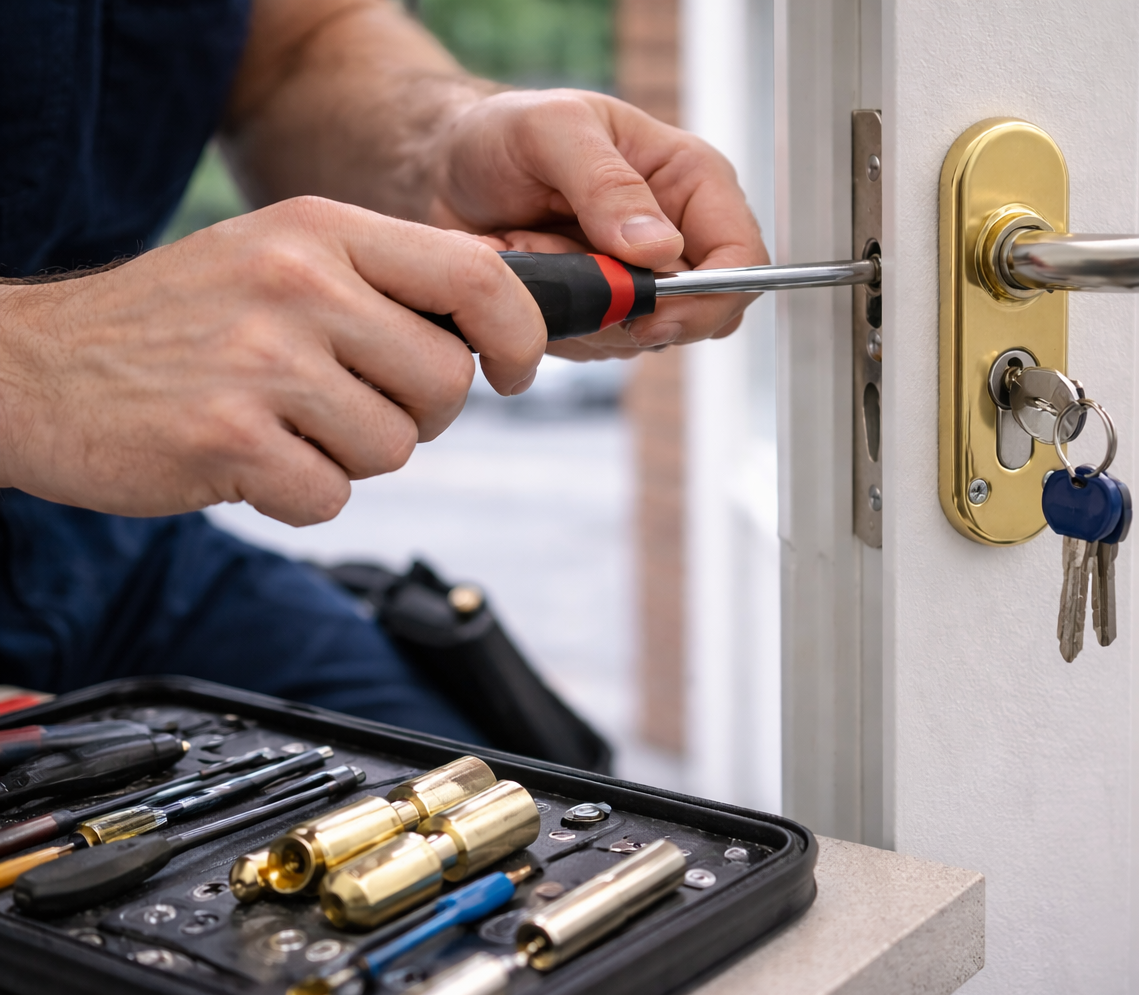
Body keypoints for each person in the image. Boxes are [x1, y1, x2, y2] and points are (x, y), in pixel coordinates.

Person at [0, 0, 767, 742]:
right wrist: (33, 371)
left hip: (106, 552)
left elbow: (295, 50)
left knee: (501, 793)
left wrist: (434, 143)